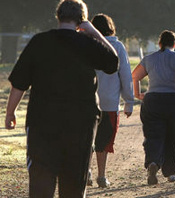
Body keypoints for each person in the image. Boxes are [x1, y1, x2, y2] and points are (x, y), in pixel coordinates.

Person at [5, 0, 118, 197]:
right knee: (74, 182)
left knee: (41, 181)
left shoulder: (39, 42)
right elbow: (112, 62)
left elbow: (19, 83)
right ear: (81, 20)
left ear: (58, 16)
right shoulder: (88, 43)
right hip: (81, 123)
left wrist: (10, 113)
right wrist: (94, 32)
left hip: (42, 122)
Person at [132, 30, 175, 185]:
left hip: (153, 100)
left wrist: (138, 94)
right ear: (174, 44)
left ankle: (153, 162)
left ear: (159, 44)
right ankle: (171, 172)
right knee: (173, 136)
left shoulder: (149, 59)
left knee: (153, 134)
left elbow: (135, 76)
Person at [87, 13, 134, 188]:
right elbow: (125, 75)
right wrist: (129, 101)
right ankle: (101, 176)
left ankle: (87, 172)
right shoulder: (118, 47)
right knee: (104, 140)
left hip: (88, 100)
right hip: (109, 101)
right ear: (110, 27)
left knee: (87, 138)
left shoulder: (87, 45)